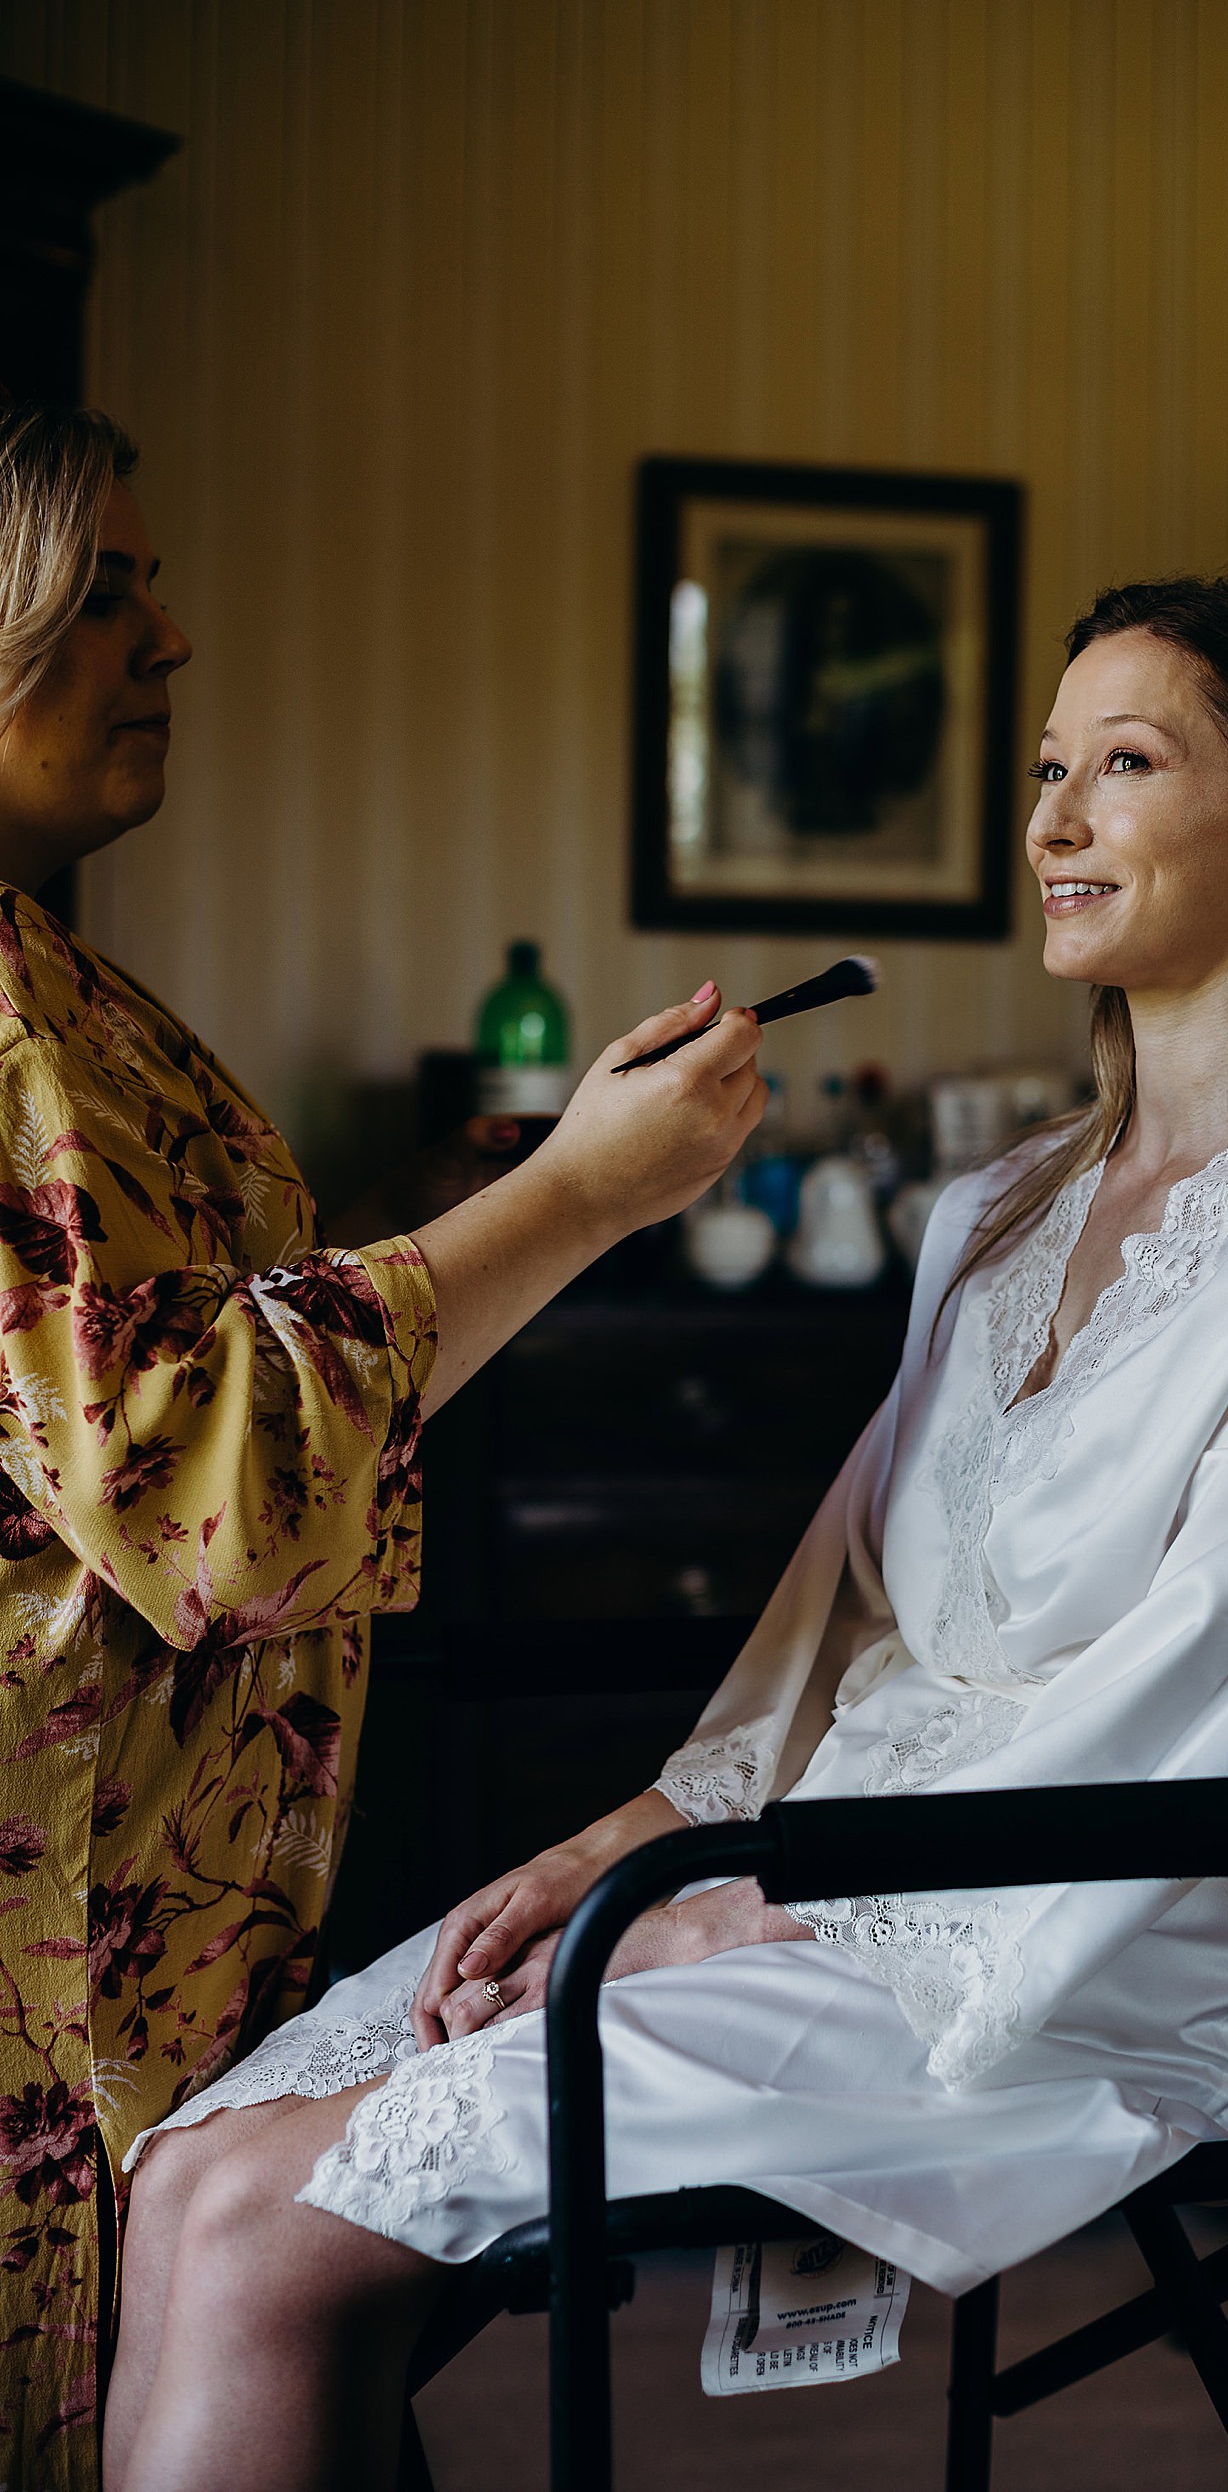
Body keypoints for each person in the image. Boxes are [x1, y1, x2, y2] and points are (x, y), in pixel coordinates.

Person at [109, 575, 1228, 2492]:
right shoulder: (999, 1212)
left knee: (273, 2226)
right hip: (818, 1855)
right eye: (1044, 770)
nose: (1052, 822)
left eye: (1124, 764)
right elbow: (836, 1606)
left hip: (1104, 1920)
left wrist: (758, 1897)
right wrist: (629, 1839)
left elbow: (1213, 1697)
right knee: (192, 2171)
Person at [0, 399, 766, 2488]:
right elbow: (198, 1469)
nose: (166, 646)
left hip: (158, 1908)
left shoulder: (70, 984)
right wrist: (580, 1199)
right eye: (105, 594)